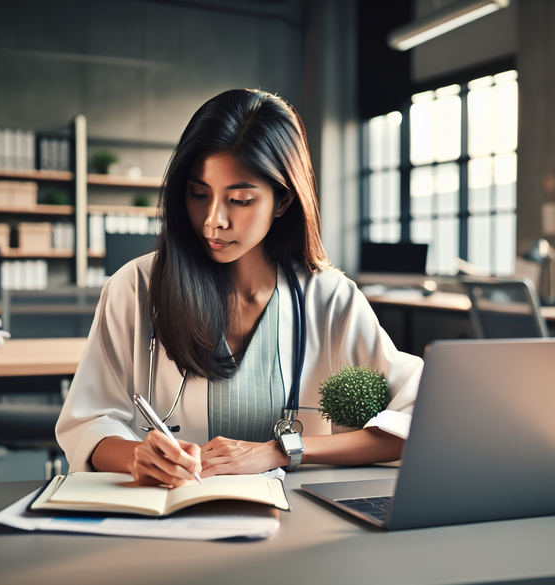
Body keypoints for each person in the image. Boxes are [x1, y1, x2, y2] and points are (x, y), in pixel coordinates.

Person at [56, 89, 423, 487]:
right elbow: (87, 423)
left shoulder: (329, 298)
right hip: (167, 520)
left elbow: (419, 419)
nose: (213, 220)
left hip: (294, 526)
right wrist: (136, 456)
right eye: (199, 195)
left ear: (282, 201)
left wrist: (283, 449)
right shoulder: (135, 287)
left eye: (240, 200)